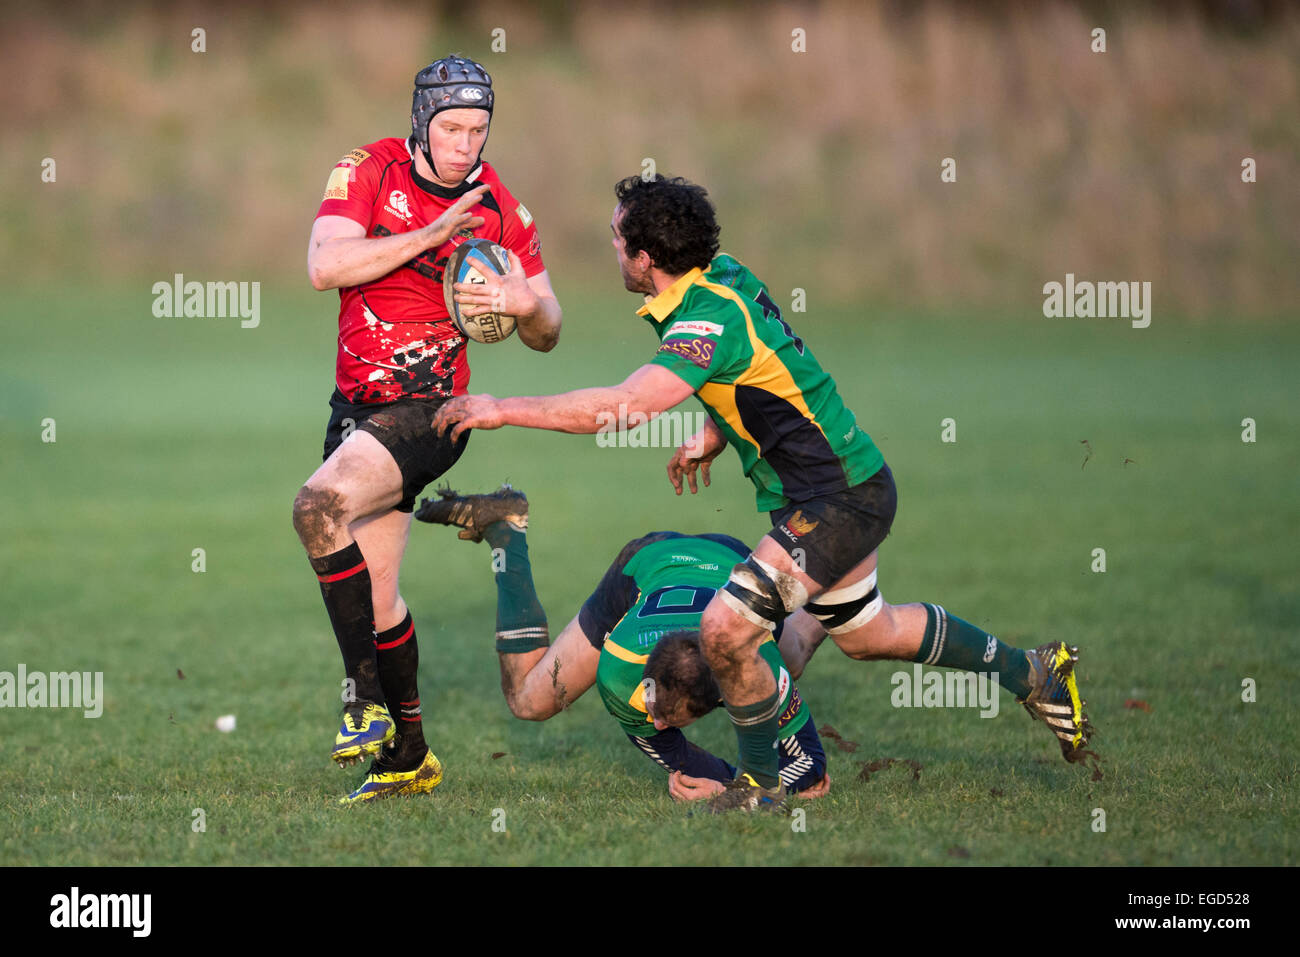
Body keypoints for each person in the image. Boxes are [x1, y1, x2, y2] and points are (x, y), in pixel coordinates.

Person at [432, 175, 1092, 812]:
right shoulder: (722, 273)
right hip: (843, 484)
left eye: (617, 240)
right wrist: (721, 430)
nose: (611, 249)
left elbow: (627, 404)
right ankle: (1033, 671)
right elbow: (765, 358)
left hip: (836, 499)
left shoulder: (702, 319)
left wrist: (500, 406)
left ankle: (758, 783)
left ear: (647, 257)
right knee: (868, 633)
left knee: (726, 625)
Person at [291, 56, 562, 805]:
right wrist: (431, 233)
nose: (466, 145)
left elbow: (550, 326)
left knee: (316, 507)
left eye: (478, 130)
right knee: (378, 602)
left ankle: (362, 702)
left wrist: (524, 305)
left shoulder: (501, 206)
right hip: (357, 407)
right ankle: (409, 753)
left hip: (435, 410)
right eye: (451, 128)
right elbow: (325, 266)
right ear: (421, 121)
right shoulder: (368, 170)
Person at [414, 487, 829, 805]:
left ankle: (844, 589)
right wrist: (738, 786)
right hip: (643, 565)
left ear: (720, 696)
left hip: (730, 561)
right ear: (647, 675)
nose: (658, 725)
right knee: (528, 701)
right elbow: (683, 760)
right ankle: (506, 532)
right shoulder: (620, 674)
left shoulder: (755, 663)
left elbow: (811, 764)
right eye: (656, 711)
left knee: (790, 659)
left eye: (669, 718)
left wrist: (727, 790)